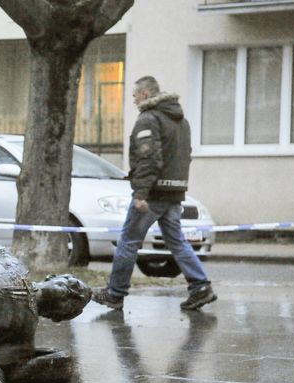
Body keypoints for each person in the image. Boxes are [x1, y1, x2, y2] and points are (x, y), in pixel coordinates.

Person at [93, 76, 216, 311]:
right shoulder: (181, 121)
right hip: (174, 191)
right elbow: (184, 156)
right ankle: (201, 287)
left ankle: (115, 293)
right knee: (176, 241)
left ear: (146, 94)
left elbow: (149, 159)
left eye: (135, 95)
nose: (133, 100)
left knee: (128, 241)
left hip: (153, 193)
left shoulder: (149, 119)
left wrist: (141, 193)